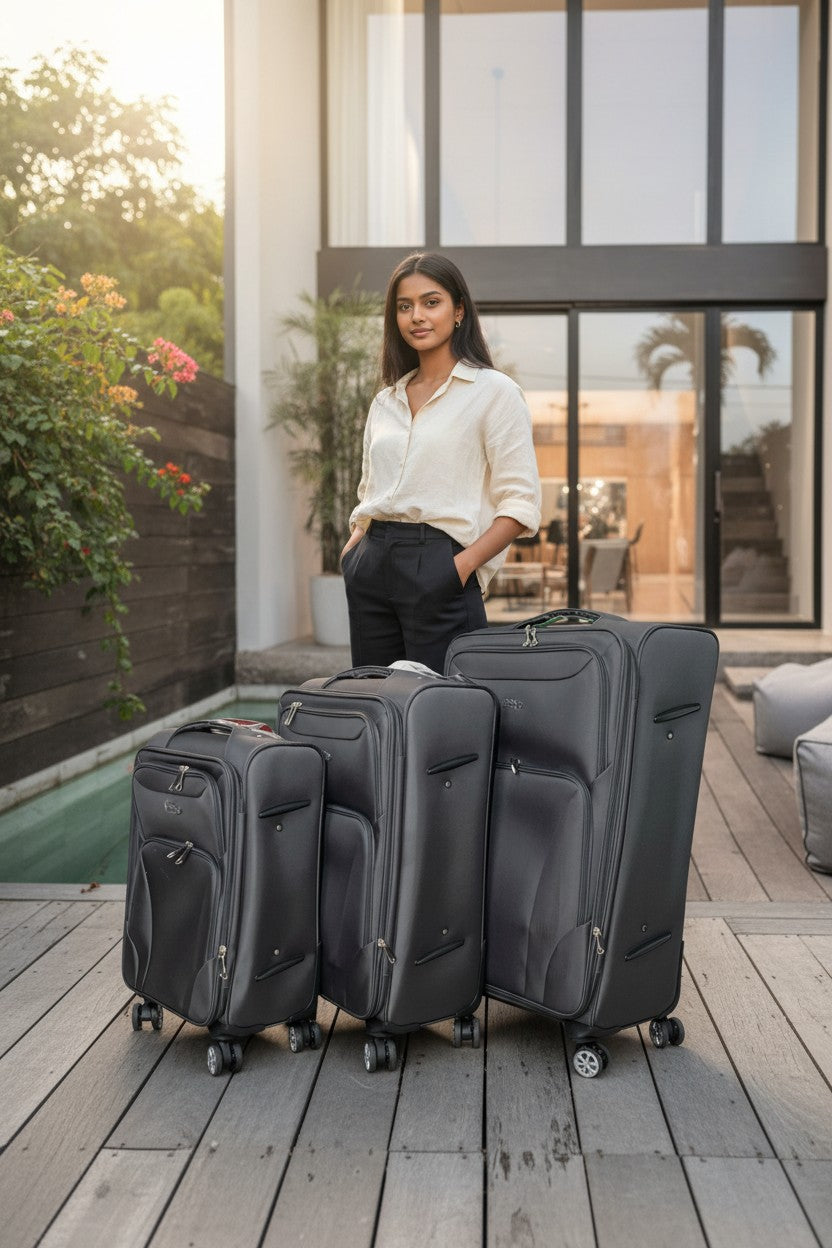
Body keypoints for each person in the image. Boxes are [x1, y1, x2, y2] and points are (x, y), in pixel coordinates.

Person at [339, 251, 541, 672]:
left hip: (440, 564)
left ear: (459, 311)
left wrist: (460, 568)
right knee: (375, 705)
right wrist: (355, 550)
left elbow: (520, 504)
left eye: (432, 302)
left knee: (449, 712)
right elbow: (369, 489)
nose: (417, 316)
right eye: (405, 306)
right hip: (372, 563)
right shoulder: (385, 401)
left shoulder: (494, 392)